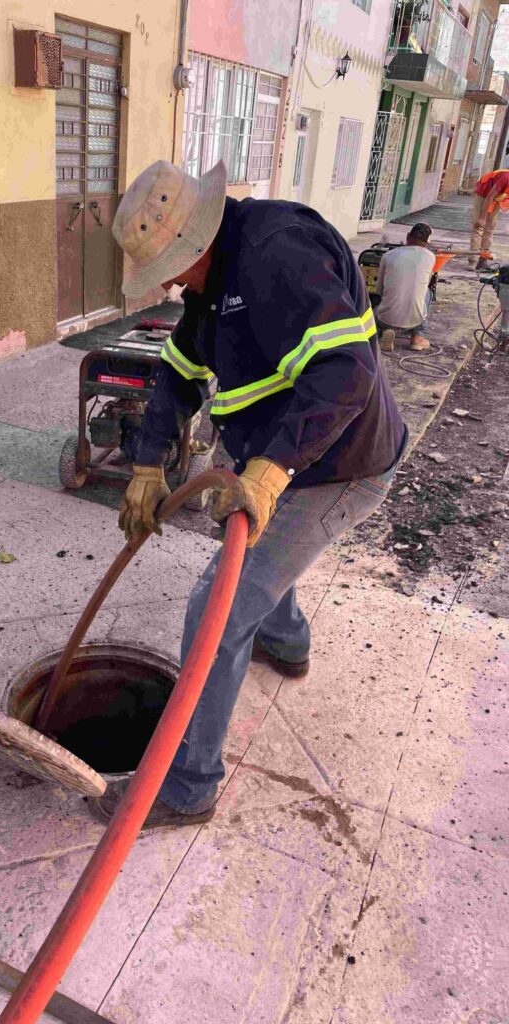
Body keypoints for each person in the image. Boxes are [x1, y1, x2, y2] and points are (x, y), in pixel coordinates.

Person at [92, 160, 406, 829]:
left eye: (173, 269)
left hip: (340, 464)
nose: (171, 284)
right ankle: (286, 644)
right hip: (282, 455)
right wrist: (149, 464)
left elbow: (345, 375)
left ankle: (186, 785)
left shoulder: (274, 258)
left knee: (220, 607)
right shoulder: (214, 285)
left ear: (193, 244)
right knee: (255, 559)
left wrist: (267, 474)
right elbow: (178, 374)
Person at [374, 223, 435, 354]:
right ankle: (417, 337)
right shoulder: (430, 257)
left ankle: (385, 332)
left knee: (376, 308)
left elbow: (378, 290)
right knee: (428, 292)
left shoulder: (388, 255)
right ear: (427, 243)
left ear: (407, 237)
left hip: (385, 319)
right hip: (415, 321)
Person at [470, 168, 509, 269]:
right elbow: (489, 196)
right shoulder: (505, 177)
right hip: (484, 194)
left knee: (490, 228)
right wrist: (482, 218)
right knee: (478, 226)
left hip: (497, 197)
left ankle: (483, 259)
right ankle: (473, 261)